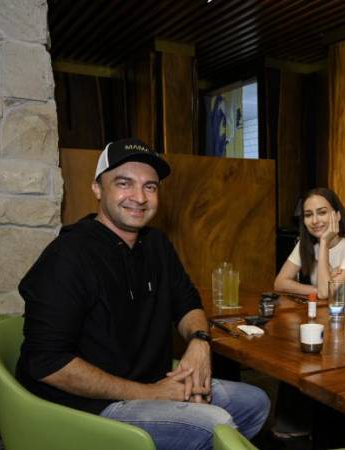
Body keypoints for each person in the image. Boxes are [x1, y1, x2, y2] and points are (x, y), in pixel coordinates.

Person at [16, 138, 270, 450]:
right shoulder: (67, 257)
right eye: (124, 183)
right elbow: (46, 362)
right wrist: (150, 393)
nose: (139, 197)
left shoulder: (157, 245)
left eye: (150, 187)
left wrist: (199, 342)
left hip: (152, 383)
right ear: (97, 188)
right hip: (85, 407)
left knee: (254, 401)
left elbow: (188, 304)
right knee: (215, 425)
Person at [274, 188, 345, 307]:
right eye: (308, 215)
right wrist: (317, 289)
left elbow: (326, 293)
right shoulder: (305, 244)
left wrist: (324, 242)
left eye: (322, 212)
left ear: (337, 216)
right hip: (325, 311)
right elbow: (280, 283)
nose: (315, 220)